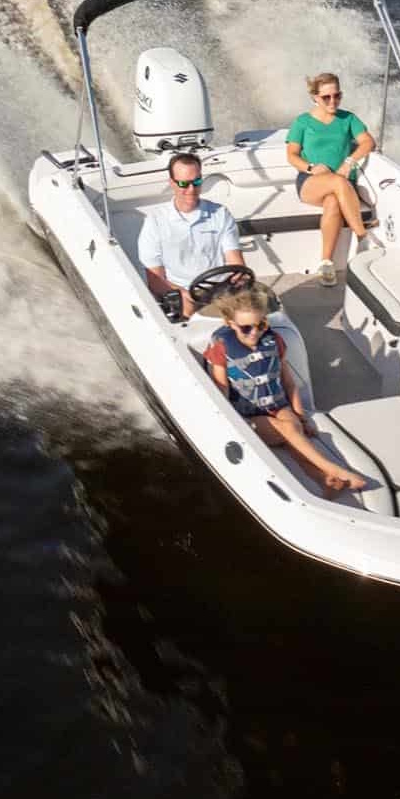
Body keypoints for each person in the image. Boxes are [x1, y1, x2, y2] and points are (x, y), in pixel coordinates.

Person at [205, 288, 370, 498]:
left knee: (293, 430)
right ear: (231, 324)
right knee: (289, 430)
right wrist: (233, 425)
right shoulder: (222, 349)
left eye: (260, 325)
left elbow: (289, 383)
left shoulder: (274, 341)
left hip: (277, 406)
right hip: (248, 415)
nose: (254, 333)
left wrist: (302, 417)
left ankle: (324, 481)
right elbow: (221, 389)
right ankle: (334, 469)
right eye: (246, 328)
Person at [286, 72, 377, 286]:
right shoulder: (302, 122)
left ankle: (326, 263)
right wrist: (311, 167)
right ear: (315, 97)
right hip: (311, 182)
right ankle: (362, 237)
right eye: (326, 97)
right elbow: (291, 155)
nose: (332, 101)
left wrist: (349, 161)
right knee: (337, 182)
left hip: (343, 184)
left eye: (337, 95)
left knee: (333, 201)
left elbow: (368, 142)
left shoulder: (348, 119)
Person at [137, 152, 244, 318]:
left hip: (222, 289)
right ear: (171, 183)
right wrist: (183, 295)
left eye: (197, 182)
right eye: (184, 184)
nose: (191, 189)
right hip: (181, 292)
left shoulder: (221, 214)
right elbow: (156, 281)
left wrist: (240, 282)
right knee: (189, 312)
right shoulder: (155, 221)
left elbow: (236, 263)